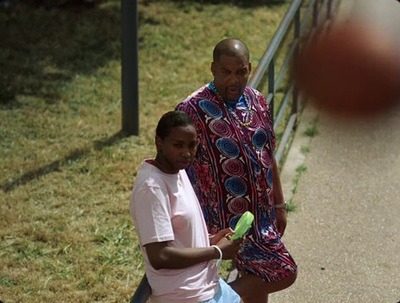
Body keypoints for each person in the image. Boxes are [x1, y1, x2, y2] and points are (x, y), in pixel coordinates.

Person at [176, 38, 297, 303]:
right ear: (213, 69)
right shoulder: (192, 109)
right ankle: (212, 301)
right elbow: (177, 166)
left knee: (260, 278)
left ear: (250, 68)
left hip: (259, 218)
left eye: (241, 71)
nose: (234, 80)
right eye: (226, 72)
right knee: (284, 271)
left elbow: (268, 153)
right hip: (220, 223)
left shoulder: (257, 100)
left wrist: (279, 204)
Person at [129, 111, 243, 303]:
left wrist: (211, 240)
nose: (187, 153)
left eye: (192, 145)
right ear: (159, 143)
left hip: (207, 284)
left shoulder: (177, 170)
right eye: (178, 145)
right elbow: (160, 256)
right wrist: (217, 251)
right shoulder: (152, 189)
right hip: (186, 295)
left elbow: (178, 235)